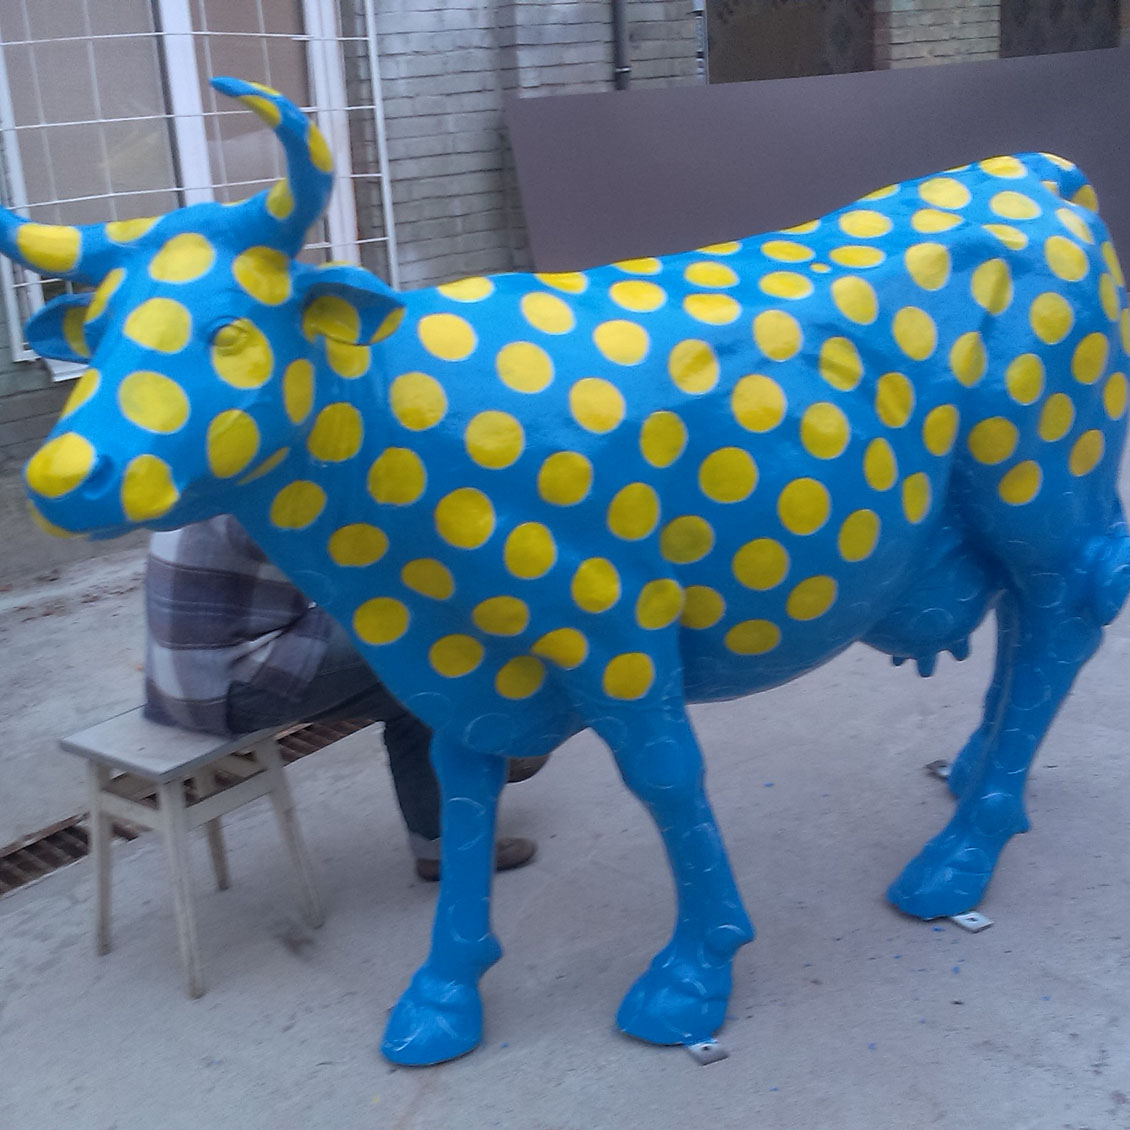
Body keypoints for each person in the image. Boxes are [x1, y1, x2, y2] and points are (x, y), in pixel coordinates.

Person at [143, 515, 542, 880]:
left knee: (403, 674)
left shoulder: (205, 478)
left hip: (179, 680)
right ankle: (489, 756)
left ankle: (450, 811)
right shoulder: (271, 492)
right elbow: (363, 569)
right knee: (422, 652)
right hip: (231, 683)